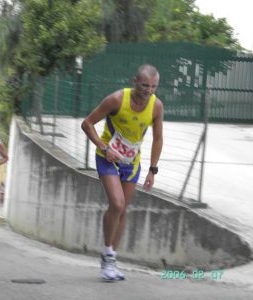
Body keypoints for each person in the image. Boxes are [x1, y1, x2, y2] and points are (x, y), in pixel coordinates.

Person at [81, 64, 164, 281]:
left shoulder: (156, 107)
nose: (149, 90)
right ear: (134, 81)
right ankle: (107, 254)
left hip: (131, 162)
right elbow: (87, 124)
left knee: (123, 210)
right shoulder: (116, 99)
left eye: (153, 86)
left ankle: (111, 260)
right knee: (117, 204)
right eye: (145, 85)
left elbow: (158, 138)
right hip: (108, 157)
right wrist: (104, 147)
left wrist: (152, 170)